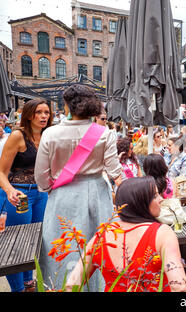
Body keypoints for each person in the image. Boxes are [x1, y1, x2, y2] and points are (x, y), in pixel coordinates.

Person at [35, 85, 123, 291]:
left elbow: (41, 175)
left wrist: (53, 188)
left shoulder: (50, 133)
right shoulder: (105, 134)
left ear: (66, 105)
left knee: (64, 247)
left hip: (62, 196)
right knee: (99, 247)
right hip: (97, 194)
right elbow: (114, 171)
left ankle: (62, 286)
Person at [65, 176, 186, 292]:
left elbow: (72, 284)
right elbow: (179, 287)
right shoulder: (163, 233)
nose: (161, 199)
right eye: (155, 196)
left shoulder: (102, 235)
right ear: (140, 202)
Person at [0, 99, 52, 292]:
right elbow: (1, 172)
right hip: (19, 194)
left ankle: (29, 282)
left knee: (37, 240)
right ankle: (18, 289)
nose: (44, 116)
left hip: (41, 194)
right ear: (29, 114)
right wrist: (9, 190)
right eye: (39, 112)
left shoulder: (48, 135)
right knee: (16, 246)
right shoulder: (17, 136)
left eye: (47, 112)